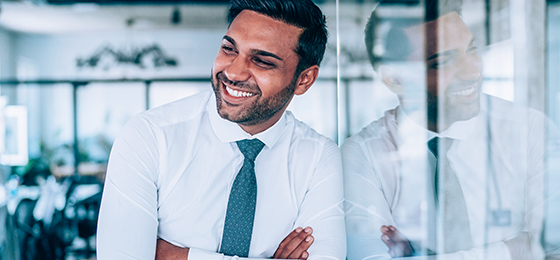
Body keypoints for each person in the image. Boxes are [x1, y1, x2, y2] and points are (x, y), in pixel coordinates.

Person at [96, 0, 346, 259]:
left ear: (304, 80)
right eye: (229, 49)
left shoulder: (318, 157)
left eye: (261, 61)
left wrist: (176, 255)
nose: (234, 72)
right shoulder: (149, 136)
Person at [342, 0, 560, 259]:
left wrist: (419, 256)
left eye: (472, 50)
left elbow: (552, 244)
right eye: (444, 61)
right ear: (394, 79)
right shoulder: (363, 154)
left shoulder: (529, 129)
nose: (471, 71)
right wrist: (514, 249)